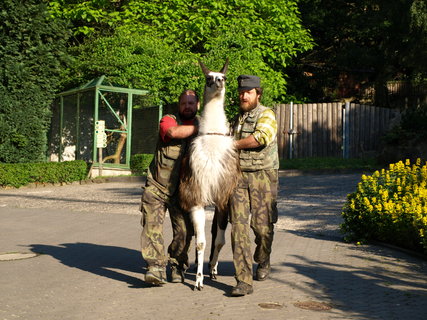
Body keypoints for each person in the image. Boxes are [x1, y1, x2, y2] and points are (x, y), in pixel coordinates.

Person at [140, 89, 199, 285]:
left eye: (191, 103)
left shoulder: (203, 122)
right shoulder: (169, 119)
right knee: (152, 226)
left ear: (197, 105)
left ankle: (176, 264)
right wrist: (202, 129)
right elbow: (172, 132)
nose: (187, 107)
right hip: (157, 186)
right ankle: (155, 268)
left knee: (184, 231)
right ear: (179, 105)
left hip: (184, 191)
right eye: (184, 103)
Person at [229, 75, 279, 296]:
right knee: (238, 228)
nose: (243, 96)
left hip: (262, 177)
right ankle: (243, 280)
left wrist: (232, 144)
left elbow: (260, 138)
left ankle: (263, 257)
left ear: (258, 94)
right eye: (241, 92)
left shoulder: (266, 114)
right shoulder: (236, 119)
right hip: (238, 178)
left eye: (248, 92)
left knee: (262, 228)